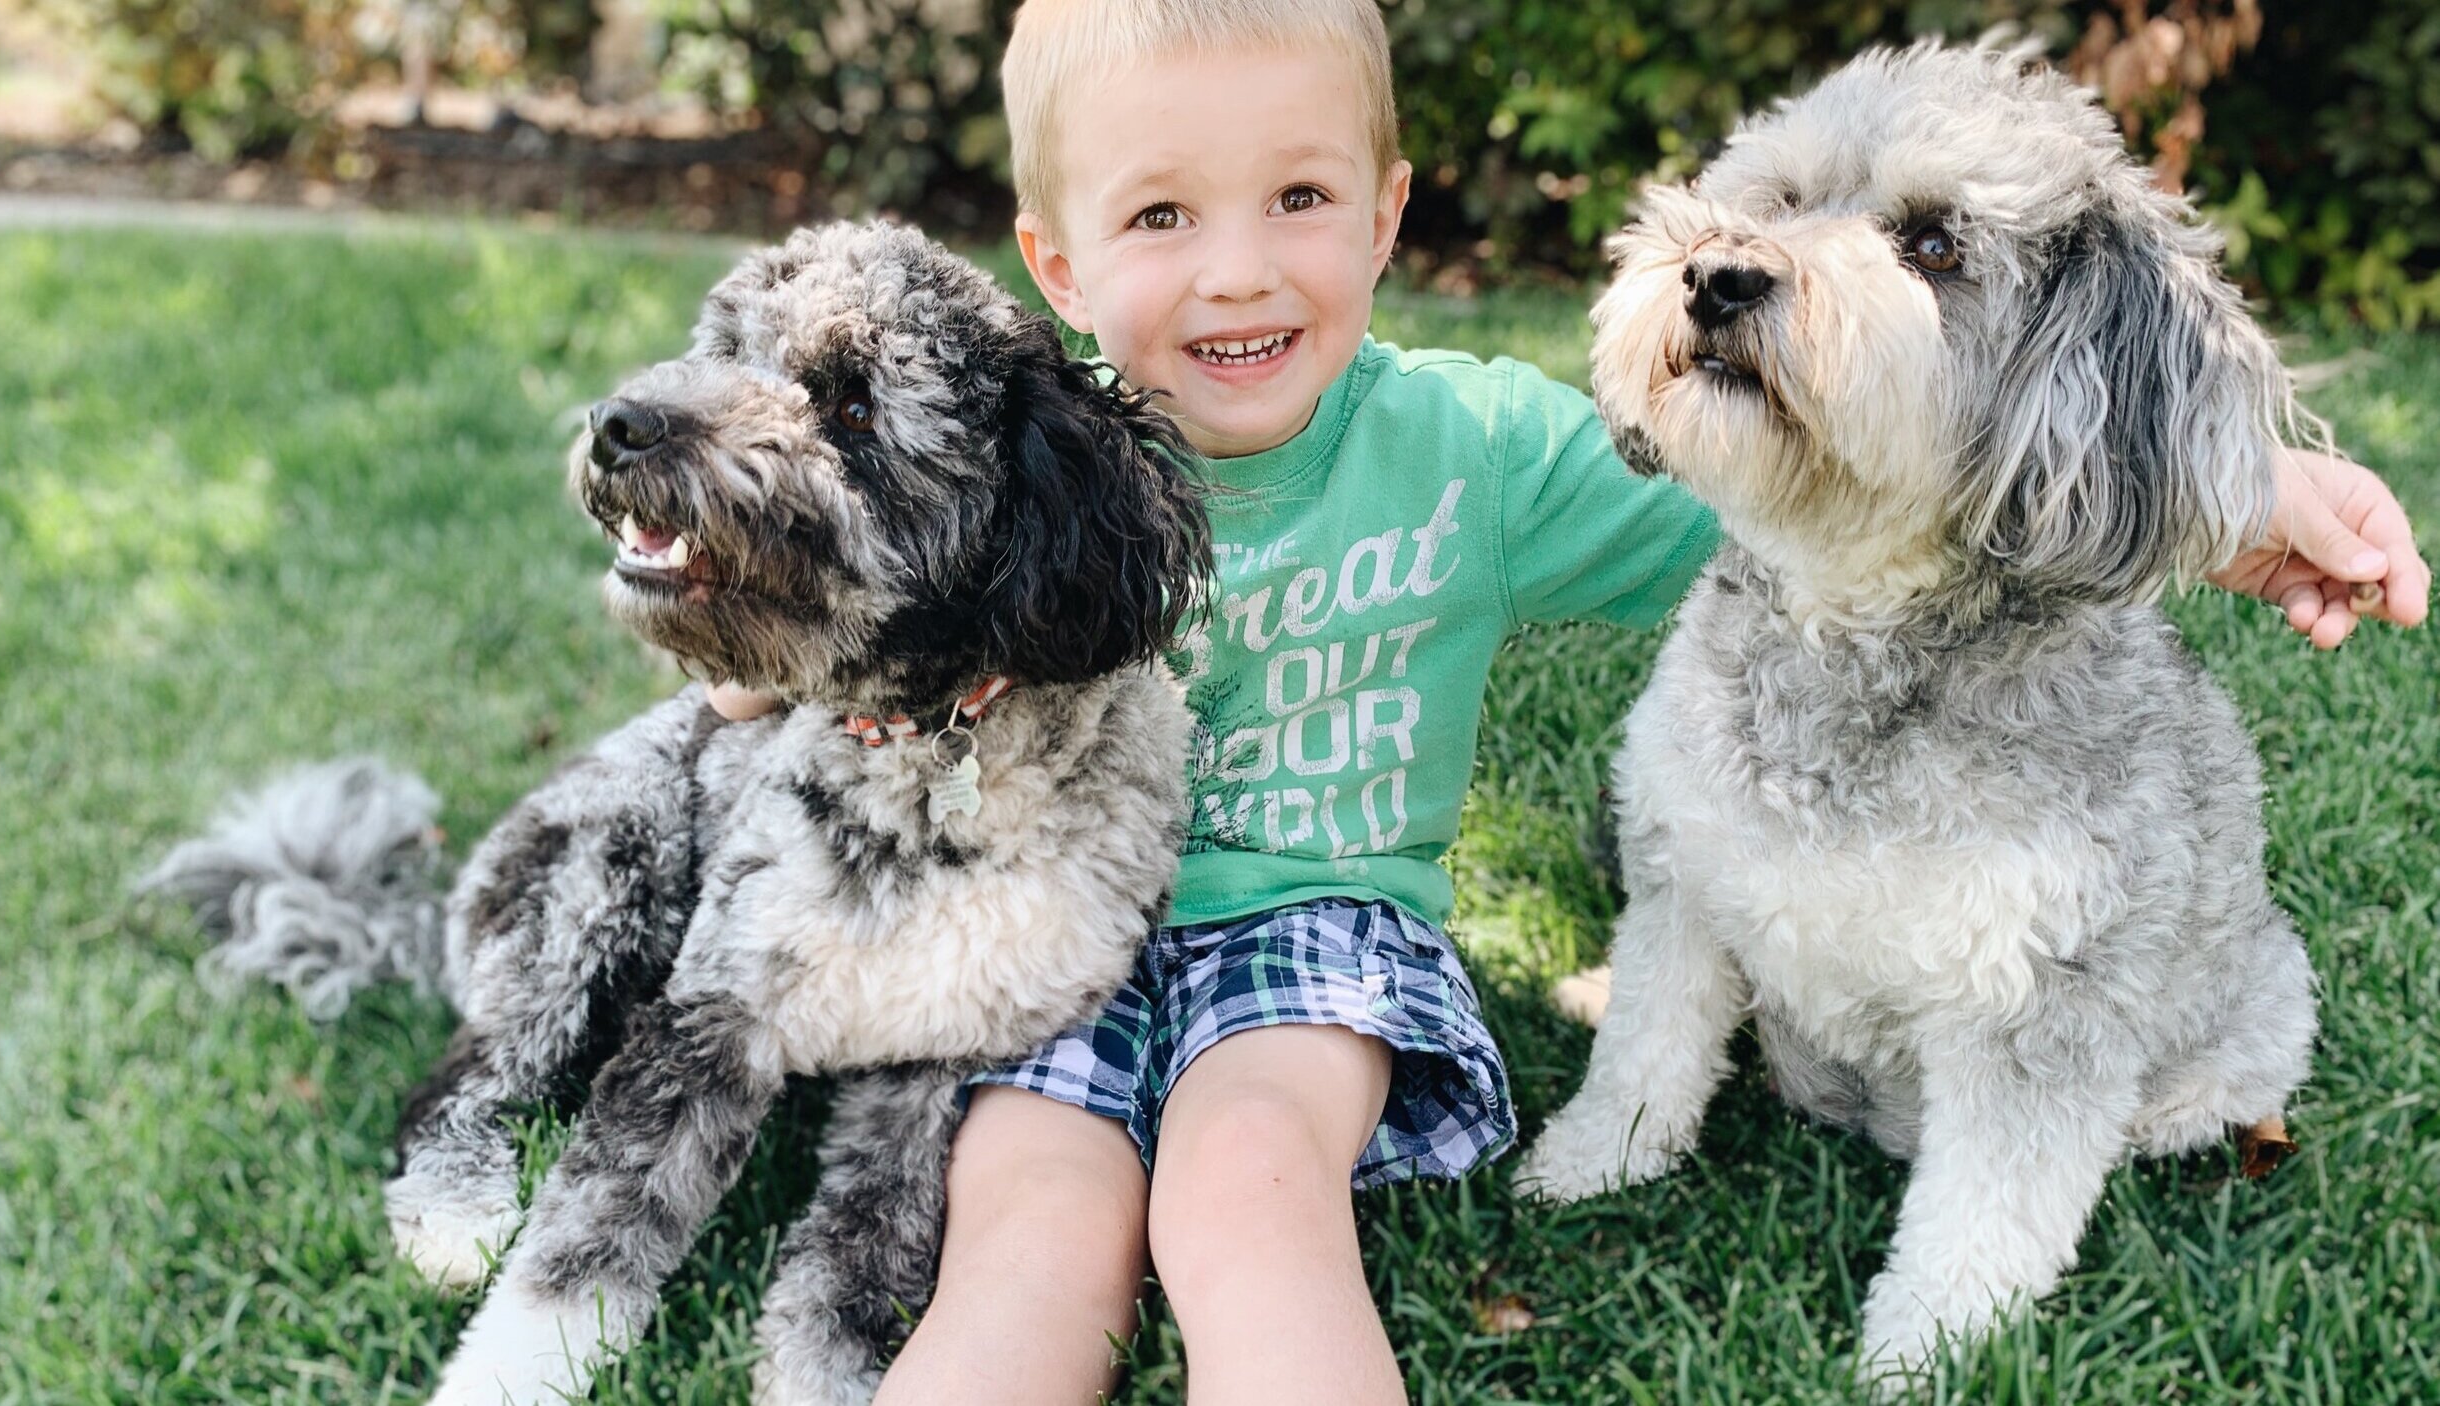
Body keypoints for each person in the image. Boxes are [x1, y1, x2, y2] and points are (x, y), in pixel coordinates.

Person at [708, 3, 2429, 1400]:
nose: (1237, 270)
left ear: (1385, 217)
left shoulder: (1472, 453)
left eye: (1297, 202)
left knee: (1247, 1192)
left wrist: (2248, 500)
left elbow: (1864, 490)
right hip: (1051, 928)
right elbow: (834, 614)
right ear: (1057, 262)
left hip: (1311, 930)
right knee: (1025, 1221)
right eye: (1163, 215)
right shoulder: (1009, 454)